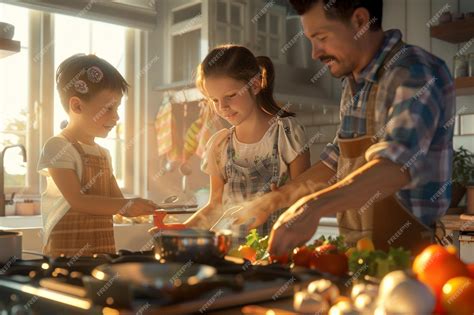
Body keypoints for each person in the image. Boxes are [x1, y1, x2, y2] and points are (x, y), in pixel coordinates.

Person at [231, 0, 455, 255]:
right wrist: (275, 200)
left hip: (411, 258)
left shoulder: (414, 72)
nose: (315, 52)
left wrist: (311, 207)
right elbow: (334, 162)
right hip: (360, 254)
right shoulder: (353, 85)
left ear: (360, 21)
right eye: (310, 40)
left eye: (321, 37)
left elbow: (396, 167)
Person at [38, 54, 157, 257]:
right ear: (77, 106)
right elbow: (78, 200)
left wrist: (144, 207)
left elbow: (117, 202)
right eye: (108, 108)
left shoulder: (104, 154)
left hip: (102, 252)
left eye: (117, 108)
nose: (117, 116)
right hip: (65, 254)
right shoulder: (58, 146)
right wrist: (126, 205)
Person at [184, 45, 311, 236]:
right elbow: (213, 206)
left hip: (278, 251)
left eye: (231, 96)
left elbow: (303, 197)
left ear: (255, 85)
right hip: (231, 254)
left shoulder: (286, 132)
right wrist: (176, 231)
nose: (223, 107)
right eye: (215, 100)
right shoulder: (220, 144)